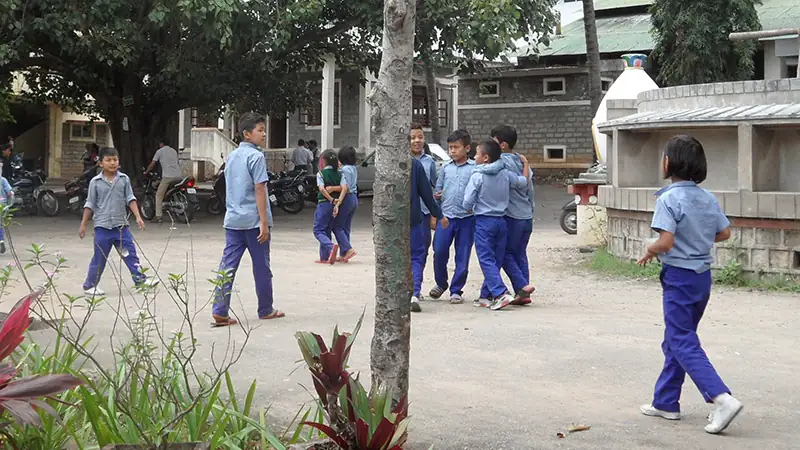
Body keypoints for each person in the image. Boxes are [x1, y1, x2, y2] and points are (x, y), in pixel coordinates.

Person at [636, 135, 742, 435]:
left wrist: (650, 248)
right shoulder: (707, 198)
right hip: (701, 279)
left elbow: (666, 241)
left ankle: (721, 398)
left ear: (668, 163)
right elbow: (724, 233)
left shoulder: (668, 199)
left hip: (679, 278)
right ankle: (666, 401)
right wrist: (698, 239)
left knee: (681, 339)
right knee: (678, 338)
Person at [211, 112, 284, 326]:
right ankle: (265, 308)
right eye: (260, 130)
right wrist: (264, 222)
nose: (264, 134)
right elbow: (260, 188)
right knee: (261, 267)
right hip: (253, 221)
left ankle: (219, 309)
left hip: (233, 219)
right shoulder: (256, 157)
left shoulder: (232, 156)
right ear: (247, 134)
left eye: (264, 130)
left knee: (227, 265)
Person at [79, 147, 158, 296]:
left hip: (121, 227)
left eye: (115, 159)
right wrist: (83, 224)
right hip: (102, 227)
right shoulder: (95, 182)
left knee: (130, 254)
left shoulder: (124, 179)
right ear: (101, 163)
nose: (112, 163)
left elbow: (130, 199)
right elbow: (89, 204)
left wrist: (138, 217)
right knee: (99, 257)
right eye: (108, 160)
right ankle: (90, 285)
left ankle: (140, 280)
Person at [463, 140, 530, 311]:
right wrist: (525, 164)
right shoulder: (505, 174)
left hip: (484, 221)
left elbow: (467, 201)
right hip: (501, 221)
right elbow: (523, 182)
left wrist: (469, 208)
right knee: (497, 258)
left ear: (485, 158)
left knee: (486, 258)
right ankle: (485, 295)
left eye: (477, 154)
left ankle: (500, 293)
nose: (474, 157)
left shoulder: (477, 176)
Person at [429, 130, 475, 304]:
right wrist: (436, 206)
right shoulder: (445, 168)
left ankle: (456, 290)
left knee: (462, 255)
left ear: (467, 148)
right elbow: (437, 190)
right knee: (439, 250)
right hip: (446, 217)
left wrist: (474, 208)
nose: (453, 151)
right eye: (450, 148)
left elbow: (479, 190)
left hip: (467, 219)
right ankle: (441, 283)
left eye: (456, 147)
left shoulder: (474, 168)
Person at [492, 125, 536, 305]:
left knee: (504, 253)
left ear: (502, 145)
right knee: (520, 253)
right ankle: (524, 294)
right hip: (526, 215)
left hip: (513, 215)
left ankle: (522, 286)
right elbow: (530, 190)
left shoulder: (501, 162)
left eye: (493, 142)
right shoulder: (521, 161)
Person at [411, 157, 447, 313]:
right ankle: (414, 293)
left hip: (389, 220)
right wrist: (439, 214)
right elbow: (426, 193)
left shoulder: (385, 160)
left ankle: (395, 294)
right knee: (416, 257)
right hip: (412, 218)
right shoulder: (414, 164)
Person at [409, 123, 438, 303]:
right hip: (407, 214)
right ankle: (410, 288)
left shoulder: (429, 162)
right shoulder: (400, 161)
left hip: (425, 213)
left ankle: (416, 287)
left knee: (421, 251)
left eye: (420, 137)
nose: (417, 141)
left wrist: (435, 214)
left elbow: (433, 188)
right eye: (413, 137)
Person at [314, 150, 354, 264]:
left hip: (324, 203)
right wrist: (337, 203)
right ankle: (324, 257)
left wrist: (330, 199)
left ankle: (330, 247)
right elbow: (344, 188)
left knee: (318, 230)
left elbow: (322, 189)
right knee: (327, 228)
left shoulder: (320, 174)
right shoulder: (340, 174)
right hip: (335, 204)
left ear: (324, 161)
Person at [144, 138, 182, 223]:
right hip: (178, 176)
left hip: (168, 176)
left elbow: (152, 164)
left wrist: (146, 171)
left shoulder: (159, 151)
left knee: (158, 195)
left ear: (161, 144)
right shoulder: (174, 151)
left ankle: (158, 216)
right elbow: (177, 163)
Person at [332, 146, 358, 262]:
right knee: (345, 226)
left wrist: (332, 189)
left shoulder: (344, 170)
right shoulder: (353, 168)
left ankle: (348, 249)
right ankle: (344, 253)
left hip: (347, 198)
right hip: (354, 198)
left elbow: (345, 187)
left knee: (337, 226)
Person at [0, 175, 13, 254]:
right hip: (2, 205)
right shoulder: (3, 179)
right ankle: (1, 240)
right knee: (0, 224)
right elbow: (9, 193)